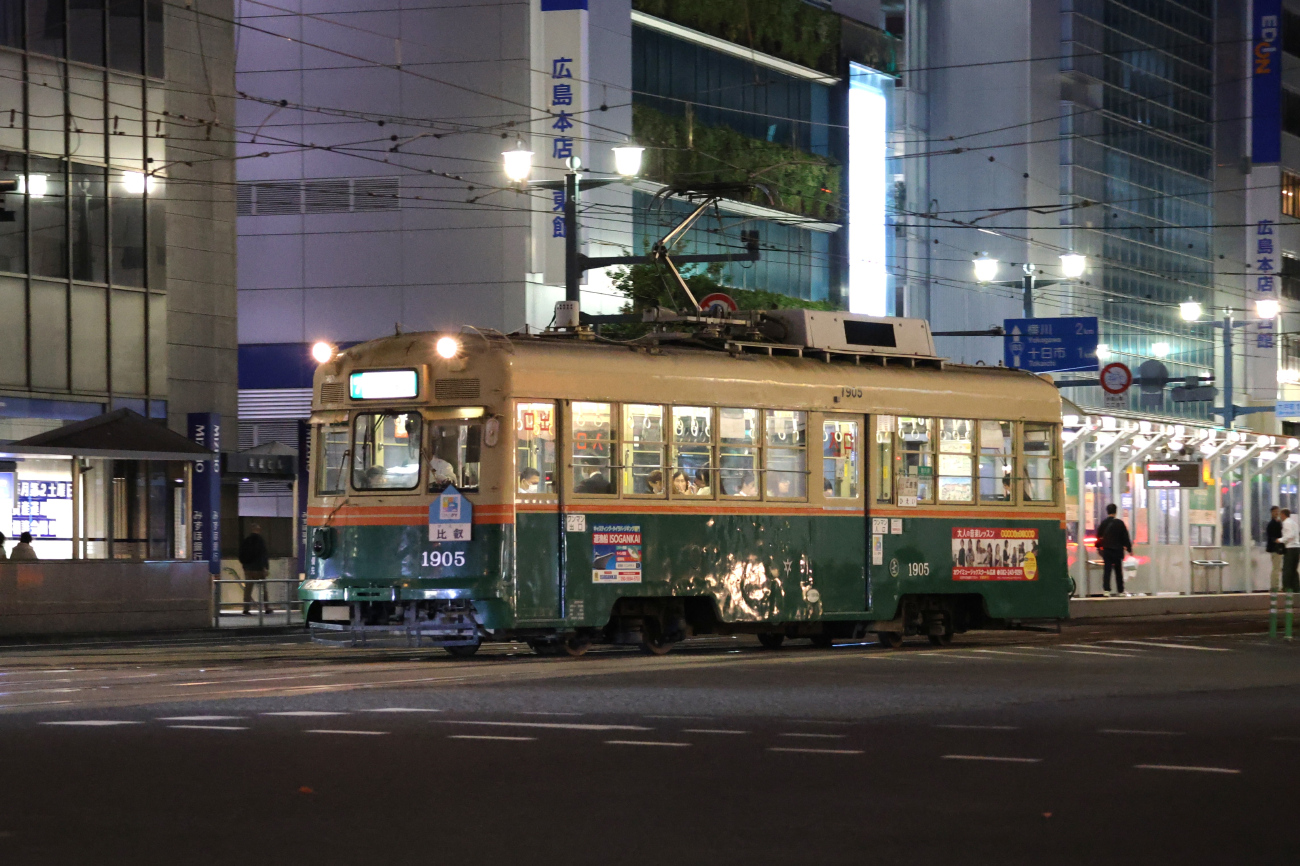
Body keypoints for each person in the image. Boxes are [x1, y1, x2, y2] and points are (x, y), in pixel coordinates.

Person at [1095, 504, 1132, 596]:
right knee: (1118, 571)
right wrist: (1129, 549)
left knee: (1107, 570)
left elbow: (1099, 536)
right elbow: (1125, 537)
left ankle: (1106, 590)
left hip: (1107, 550)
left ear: (1107, 511)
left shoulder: (1104, 523)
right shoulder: (1120, 523)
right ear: (1116, 511)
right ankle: (1120, 590)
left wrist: (1099, 547)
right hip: (1118, 551)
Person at [238, 524, 270, 616]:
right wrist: (266, 568)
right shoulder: (260, 541)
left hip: (248, 569)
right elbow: (264, 555)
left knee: (248, 590)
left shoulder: (246, 541)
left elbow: (241, 554)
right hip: (259, 569)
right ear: (259, 530)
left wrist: (245, 565)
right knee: (263, 589)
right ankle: (266, 608)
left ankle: (246, 609)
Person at [1282, 508, 1300, 594]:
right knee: (1294, 569)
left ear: (1283, 514)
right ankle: (1296, 588)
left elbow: (1290, 535)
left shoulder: (1286, 523)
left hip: (1290, 548)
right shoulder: (1295, 523)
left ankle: (1287, 587)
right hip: (1297, 548)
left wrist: (1281, 540)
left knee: (1287, 569)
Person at [1267, 505, 1284, 592]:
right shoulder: (1272, 524)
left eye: (1278, 511)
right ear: (1272, 513)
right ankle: (1275, 587)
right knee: (1276, 569)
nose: (1277, 513)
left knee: (1277, 568)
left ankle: (1275, 586)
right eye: (1275, 511)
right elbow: (1273, 537)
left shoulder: (1277, 523)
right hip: (1276, 549)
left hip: (1276, 549)